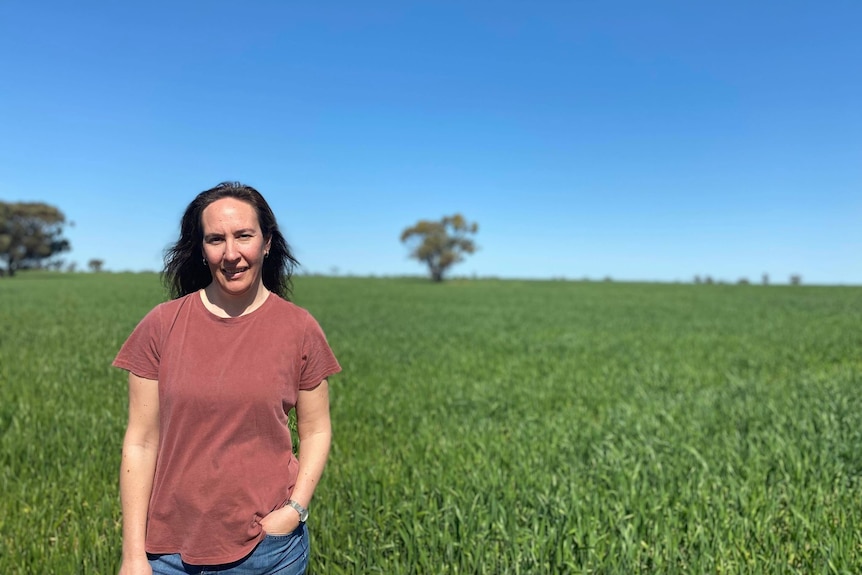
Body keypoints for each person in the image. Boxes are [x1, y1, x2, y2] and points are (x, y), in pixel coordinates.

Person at [113, 182, 341, 575]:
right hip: (168, 552)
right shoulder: (162, 325)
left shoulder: (299, 328)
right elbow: (141, 441)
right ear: (201, 249)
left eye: (244, 236)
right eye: (216, 239)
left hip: (268, 552)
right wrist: (133, 555)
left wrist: (295, 509)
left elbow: (317, 429)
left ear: (267, 242)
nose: (231, 253)